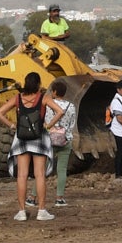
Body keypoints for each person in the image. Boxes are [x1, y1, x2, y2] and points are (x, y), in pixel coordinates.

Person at [0, 72, 58, 221]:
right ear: (38, 83)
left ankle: (22, 211)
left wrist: (12, 125)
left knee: (22, 175)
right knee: (40, 174)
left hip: (21, 138)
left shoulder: (17, 98)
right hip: (39, 137)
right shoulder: (44, 98)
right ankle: (42, 211)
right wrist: (48, 125)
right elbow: (60, 111)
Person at [46, 77, 77, 208]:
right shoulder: (71, 106)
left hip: (49, 140)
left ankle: (32, 197)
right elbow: (72, 123)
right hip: (65, 140)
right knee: (62, 170)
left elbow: (46, 122)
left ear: (54, 91)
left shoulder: (48, 105)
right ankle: (59, 198)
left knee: (42, 170)